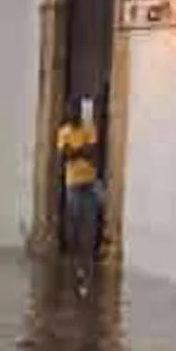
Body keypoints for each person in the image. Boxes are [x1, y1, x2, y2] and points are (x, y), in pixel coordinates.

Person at [56, 97, 102, 273]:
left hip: (89, 180)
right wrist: (82, 151)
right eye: (70, 110)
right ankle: (72, 253)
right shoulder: (63, 132)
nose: (73, 113)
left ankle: (88, 253)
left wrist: (75, 152)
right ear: (67, 112)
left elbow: (93, 152)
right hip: (72, 181)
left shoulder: (89, 128)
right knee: (73, 218)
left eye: (76, 109)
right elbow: (64, 156)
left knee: (90, 218)